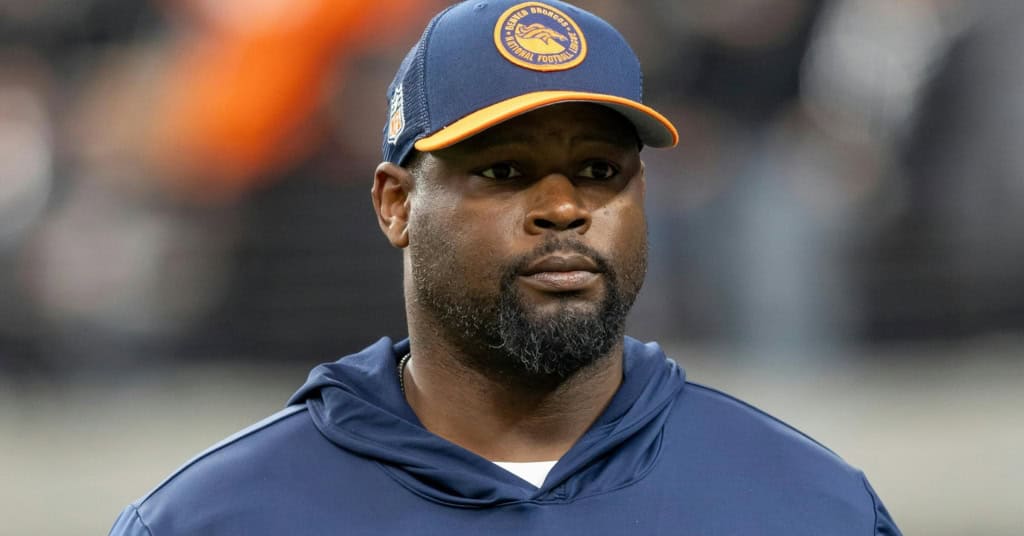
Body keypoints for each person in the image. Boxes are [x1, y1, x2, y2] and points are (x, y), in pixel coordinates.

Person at [110, 1, 902, 534]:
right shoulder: (219, 519)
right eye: (505, 172)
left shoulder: (807, 505)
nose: (563, 209)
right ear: (395, 205)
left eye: (599, 171)